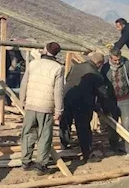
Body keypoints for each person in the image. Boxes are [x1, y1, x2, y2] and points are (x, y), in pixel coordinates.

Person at [19, 42, 64, 175]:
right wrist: (59, 110)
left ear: (45, 50)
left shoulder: (33, 64)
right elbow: (58, 91)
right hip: (46, 106)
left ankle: (26, 161)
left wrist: (22, 100)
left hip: (31, 103)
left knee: (28, 133)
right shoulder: (58, 68)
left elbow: (24, 83)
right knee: (44, 136)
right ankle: (41, 164)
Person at [60, 52, 108, 161]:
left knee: (65, 123)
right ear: (99, 64)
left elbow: (68, 79)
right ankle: (86, 153)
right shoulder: (96, 74)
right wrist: (105, 108)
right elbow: (102, 94)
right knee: (83, 128)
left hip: (67, 97)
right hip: (83, 102)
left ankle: (64, 146)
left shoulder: (76, 67)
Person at [101, 48, 129, 160]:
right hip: (112, 100)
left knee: (128, 125)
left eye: (119, 60)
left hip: (125, 98)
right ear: (110, 58)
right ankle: (114, 147)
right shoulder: (105, 68)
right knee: (112, 125)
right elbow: (101, 84)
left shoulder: (127, 64)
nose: (117, 62)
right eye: (115, 60)